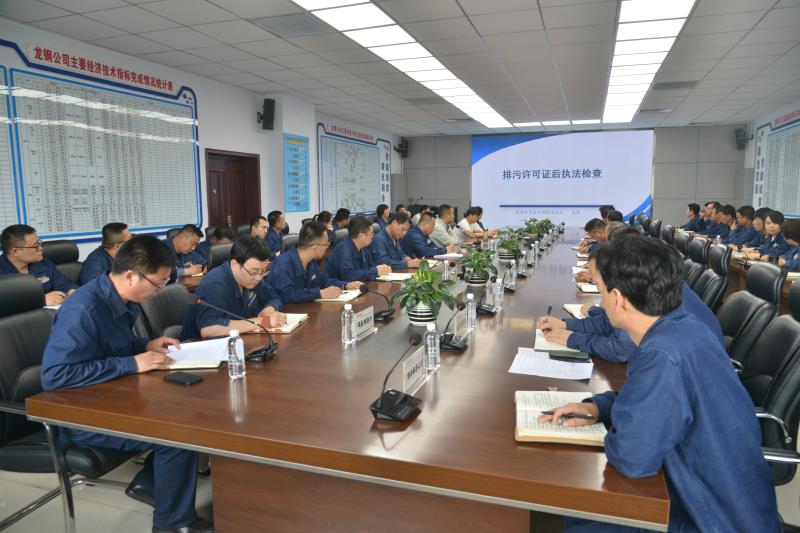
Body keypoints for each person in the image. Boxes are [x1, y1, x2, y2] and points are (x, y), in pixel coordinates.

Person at [540, 236, 779, 532]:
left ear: (618, 298)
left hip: (708, 518)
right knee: (579, 510)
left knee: (580, 510)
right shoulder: (683, 329)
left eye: (601, 291)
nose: (601, 301)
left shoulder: (661, 355)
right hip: (725, 502)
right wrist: (597, 408)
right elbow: (653, 399)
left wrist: (616, 427)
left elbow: (631, 458)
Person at [40, 235, 213, 533]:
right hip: (76, 415)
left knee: (189, 407)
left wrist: (146, 344)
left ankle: (151, 483)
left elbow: (112, 345)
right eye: (158, 283)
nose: (160, 290)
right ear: (131, 275)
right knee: (177, 433)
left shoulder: (120, 298)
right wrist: (132, 363)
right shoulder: (83, 310)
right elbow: (55, 375)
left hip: (108, 396)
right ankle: (172, 524)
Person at [542, 227, 724, 362]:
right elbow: (609, 323)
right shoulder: (649, 283)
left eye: (599, 285)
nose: (602, 301)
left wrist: (572, 338)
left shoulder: (663, 350)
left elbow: (621, 350)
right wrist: (566, 324)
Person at [181, 235, 286, 340]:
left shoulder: (252, 279)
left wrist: (269, 309)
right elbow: (208, 329)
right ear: (235, 265)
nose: (258, 278)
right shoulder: (215, 284)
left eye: (263, 271)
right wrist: (263, 321)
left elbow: (274, 297)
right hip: (200, 345)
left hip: (238, 340)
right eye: (253, 272)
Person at [268, 221, 362, 303]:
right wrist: (319, 293)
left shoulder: (311, 261)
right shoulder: (282, 264)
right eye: (326, 244)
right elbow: (286, 295)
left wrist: (345, 285)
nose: (327, 247)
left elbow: (323, 280)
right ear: (315, 248)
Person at [0, 224, 77, 306]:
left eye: (39, 243)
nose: (41, 249)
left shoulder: (43, 263)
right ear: (16, 252)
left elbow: (64, 283)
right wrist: (41, 301)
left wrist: (71, 290)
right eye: (36, 246)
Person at [325, 216, 391, 282]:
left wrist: (381, 269)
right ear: (361, 235)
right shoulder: (344, 249)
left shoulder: (363, 247)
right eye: (371, 233)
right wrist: (375, 271)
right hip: (339, 287)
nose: (373, 235)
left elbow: (370, 266)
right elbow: (348, 277)